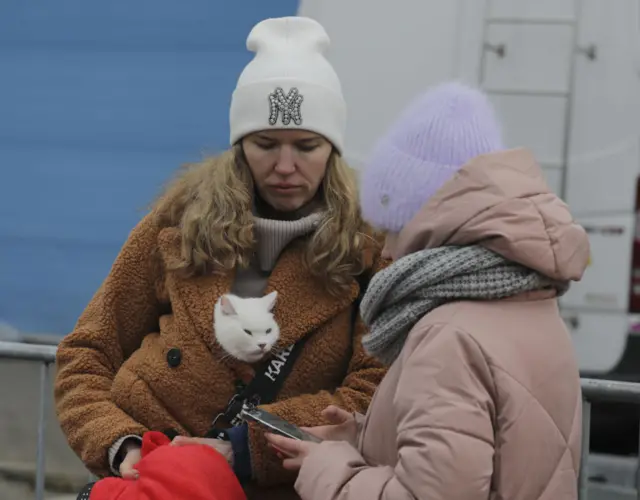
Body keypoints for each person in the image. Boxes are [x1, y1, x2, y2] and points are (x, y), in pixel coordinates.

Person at [54, 16, 387, 500]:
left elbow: (373, 394)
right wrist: (121, 444)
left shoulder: (367, 252)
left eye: (307, 146)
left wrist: (244, 448)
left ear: (333, 149)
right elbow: (86, 354)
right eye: (265, 144)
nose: (286, 166)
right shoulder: (178, 224)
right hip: (149, 484)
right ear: (240, 145)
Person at [266, 82, 590, 499]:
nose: (384, 250)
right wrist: (362, 436)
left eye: (392, 228)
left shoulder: (447, 336)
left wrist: (327, 467)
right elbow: (494, 452)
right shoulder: (532, 302)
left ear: (427, 224)